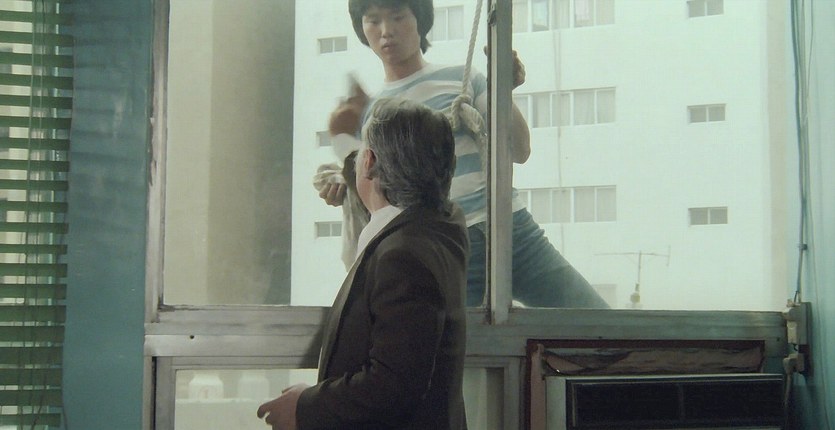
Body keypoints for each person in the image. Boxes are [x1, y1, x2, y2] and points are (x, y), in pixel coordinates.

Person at [318, 0, 608, 309]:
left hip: (512, 230)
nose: (386, 31)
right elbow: (380, 199)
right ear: (361, 30)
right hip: (446, 246)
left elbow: (520, 150)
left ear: (420, 20)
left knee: (595, 318)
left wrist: (502, 90)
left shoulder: (462, 79)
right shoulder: (372, 113)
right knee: (462, 340)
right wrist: (341, 186)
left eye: (398, 16)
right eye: (373, 21)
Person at [259, 98, 469, 429]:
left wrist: (306, 407)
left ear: (369, 162)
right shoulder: (443, 225)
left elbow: (393, 386)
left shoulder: (403, 257)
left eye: (361, 153)